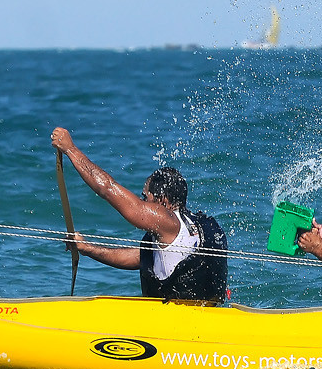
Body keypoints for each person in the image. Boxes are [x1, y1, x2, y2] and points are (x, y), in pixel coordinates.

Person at [51, 128, 228, 303]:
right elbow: (137, 258)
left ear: (162, 200)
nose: (143, 202)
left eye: (145, 197)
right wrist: (87, 248)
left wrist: (70, 149)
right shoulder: (188, 227)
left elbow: (108, 188)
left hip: (180, 315)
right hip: (202, 310)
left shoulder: (166, 220)